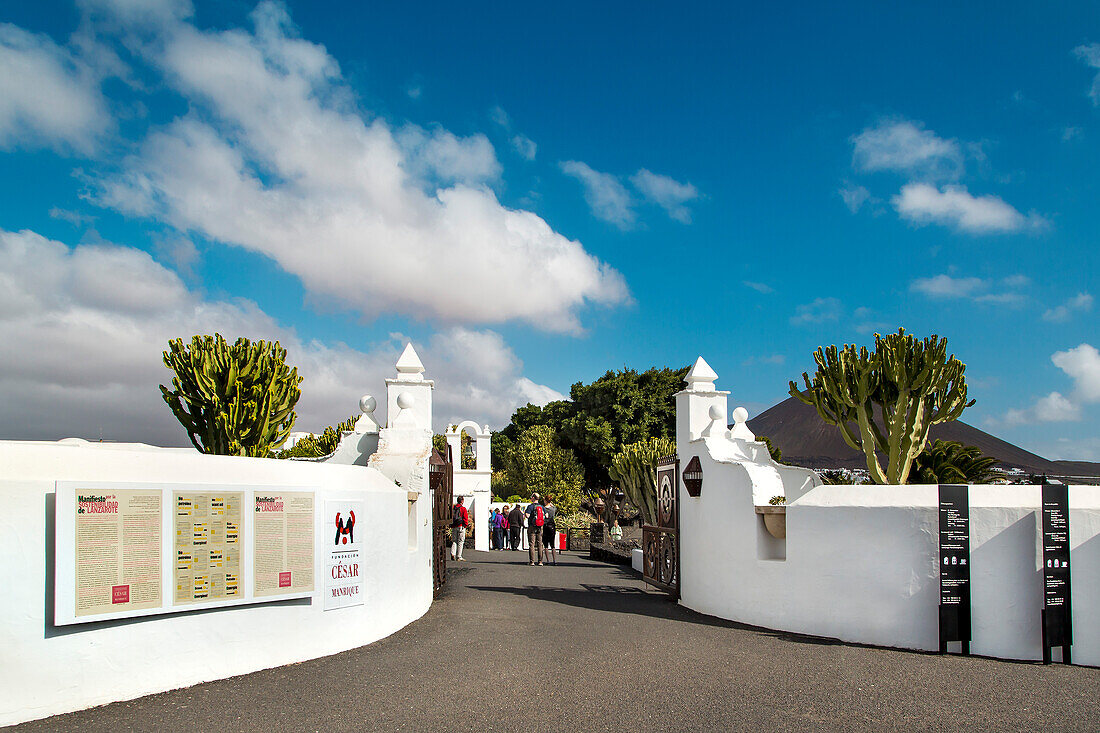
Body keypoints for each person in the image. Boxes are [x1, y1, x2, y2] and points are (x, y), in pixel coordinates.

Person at [525, 492, 545, 565]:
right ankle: (540, 561)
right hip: (540, 527)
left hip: (532, 526)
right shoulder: (542, 506)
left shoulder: (530, 506)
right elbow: (546, 515)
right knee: (540, 544)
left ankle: (532, 561)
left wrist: (525, 514)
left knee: (532, 544)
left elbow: (527, 515)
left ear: (533, 498)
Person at [451, 496, 469, 561]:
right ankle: (459, 556)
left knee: (454, 541)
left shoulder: (453, 508)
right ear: (462, 501)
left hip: (454, 526)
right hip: (461, 526)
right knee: (460, 541)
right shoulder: (463, 509)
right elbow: (465, 518)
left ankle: (453, 553)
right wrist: (465, 525)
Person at [541, 495, 558, 565]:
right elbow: (555, 508)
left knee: (545, 545)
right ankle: (554, 560)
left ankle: (548, 560)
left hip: (545, 526)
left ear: (545, 500)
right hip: (552, 526)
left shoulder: (544, 508)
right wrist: (552, 504)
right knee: (552, 544)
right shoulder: (553, 509)